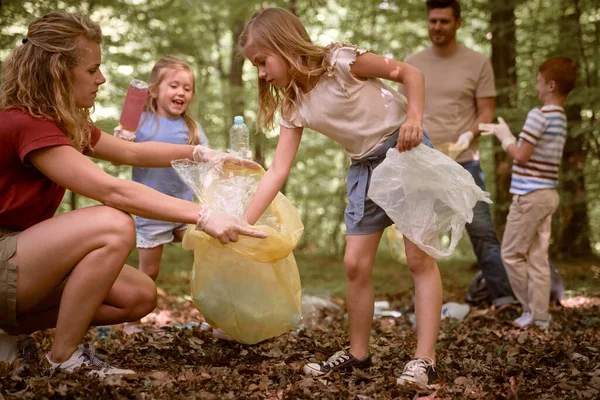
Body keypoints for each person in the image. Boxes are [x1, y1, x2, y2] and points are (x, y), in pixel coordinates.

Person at [0, 11, 264, 376]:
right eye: (92, 70)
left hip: (20, 260)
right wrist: (203, 215)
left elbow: (132, 152)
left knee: (139, 295)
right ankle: (63, 358)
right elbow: (112, 189)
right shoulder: (25, 123)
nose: (102, 78)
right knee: (113, 223)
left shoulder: (60, 122)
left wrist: (202, 153)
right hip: (6, 260)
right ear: (59, 70)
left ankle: (13, 332)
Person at [240, 7, 441, 389]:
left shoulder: (342, 62)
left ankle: (424, 360)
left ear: (283, 45)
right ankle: (358, 355)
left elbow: (409, 73)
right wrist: (244, 221)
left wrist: (414, 117)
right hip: (363, 169)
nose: (261, 74)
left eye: (262, 62)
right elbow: (278, 170)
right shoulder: (293, 104)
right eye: (256, 66)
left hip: (404, 151)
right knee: (354, 264)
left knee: (418, 257)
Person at [401, 0, 516, 310]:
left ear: (458, 23)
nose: (437, 27)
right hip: (424, 163)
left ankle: (504, 298)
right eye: (433, 21)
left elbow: (487, 112)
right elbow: (402, 111)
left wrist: (468, 135)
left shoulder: (478, 62)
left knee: (481, 231)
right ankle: (421, 304)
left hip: (465, 163)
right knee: (422, 234)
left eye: (444, 21)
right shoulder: (412, 63)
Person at [479, 57, 577, 329]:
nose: (536, 85)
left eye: (539, 80)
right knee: (537, 258)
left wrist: (504, 135)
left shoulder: (540, 115)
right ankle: (541, 317)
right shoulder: (560, 117)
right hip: (547, 195)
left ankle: (531, 311)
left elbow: (521, 155)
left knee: (510, 254)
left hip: (530, 196)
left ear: (551, 85)